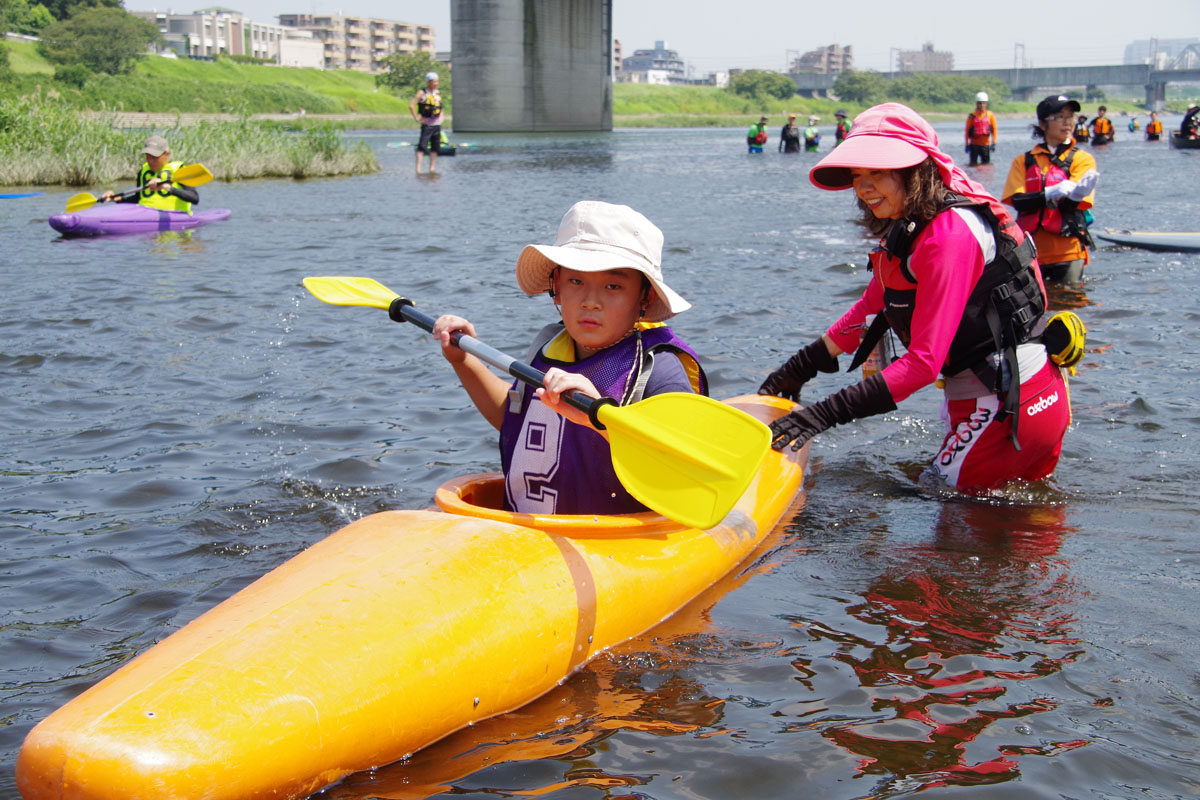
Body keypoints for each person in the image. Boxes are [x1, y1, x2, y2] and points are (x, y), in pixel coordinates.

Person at [758, 103, 1072, 493]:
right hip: (1000, 397)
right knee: (1005, 528)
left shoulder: (950, 234)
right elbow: (874, 301)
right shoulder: (914, 221)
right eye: (857, 175)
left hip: (1008, 406)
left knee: (953, 522)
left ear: (916, 171)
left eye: (877, 172)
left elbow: (924, 363)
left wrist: (820, 416)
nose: (863, 187)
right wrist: (801, 366)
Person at [431, 201, 707, 515]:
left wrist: (602, 419)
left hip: (612, 542)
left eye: (613, 286)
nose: (591, 302)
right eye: (576, 281)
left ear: (644, 297)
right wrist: (463, 360)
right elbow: (514, 421)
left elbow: (684, 467)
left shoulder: (658, 368)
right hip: (530, 530)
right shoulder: (550, 347)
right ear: (557, 287)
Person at [1002, 95, 1100, 285]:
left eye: (1070, 117)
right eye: (1060, 117)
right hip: (1030, 253)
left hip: (1068, 252)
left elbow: (1071, 207)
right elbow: (1018, 201)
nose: (1068, 123)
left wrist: (1077, 194)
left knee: (1068, 305)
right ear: (1043, 124)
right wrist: (1049, 193)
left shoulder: (1082, 159)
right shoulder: (1024, 161)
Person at [100, 135, 199, 213]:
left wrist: (168, 188)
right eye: (148, 156)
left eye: (154, 157)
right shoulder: (143, 172)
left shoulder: (179, 170)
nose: (150, 161)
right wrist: (118, 199)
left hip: (175, 216)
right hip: (144, 215)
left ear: (167, 155)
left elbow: (194, 198)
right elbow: (138, 198)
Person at [410, 71, 443, 174]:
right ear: (428, 82)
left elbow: (440, 107)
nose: (436, 84)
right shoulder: (422, 93)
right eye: (434, 82)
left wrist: (441, 118)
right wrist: (417, 119)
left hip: (437, 125)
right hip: (427, 125)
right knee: (422, 147)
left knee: (435, 148)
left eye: (437, 82)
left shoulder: (437, 93)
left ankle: (432, 169)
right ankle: (418, 169)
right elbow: (411, 105)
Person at [964, 91, 997, 166]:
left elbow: (994, 129)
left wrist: (994, 143)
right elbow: (967, 131)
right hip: (974, 145)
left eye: (983, 103)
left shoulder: (990, 115)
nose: (982, 105)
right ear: (977, 104)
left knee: (986, 165)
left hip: (985, 145)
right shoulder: (972, 116)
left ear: (986, 103)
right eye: (980, 103)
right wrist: (966, 144)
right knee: (973, 165)